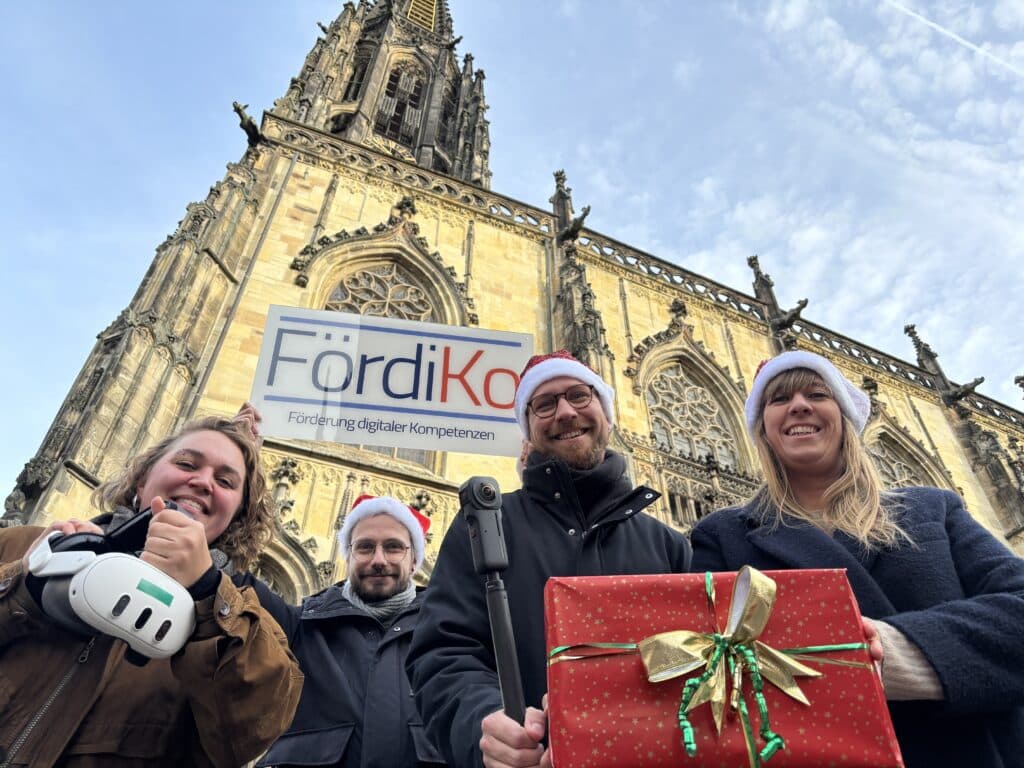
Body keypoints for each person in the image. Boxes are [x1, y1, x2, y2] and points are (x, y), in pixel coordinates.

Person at [689, 349, 1024, 767]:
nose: (798, 405)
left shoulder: (932, 509)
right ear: (762, 431)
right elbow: (709, 667)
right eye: (778, 400)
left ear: (846, 416)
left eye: (817, 393)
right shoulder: (723, 536)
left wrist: (898, 651)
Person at [406, 350, 692, 768]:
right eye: (544, 403)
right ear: (528, 429)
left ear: (607, 413)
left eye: (579, 395)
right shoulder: (487, 524)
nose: (564, 412)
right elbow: (442, 655)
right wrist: (484, 723)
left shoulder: (669, 546)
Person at [0, 415, 303, 768]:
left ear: (236, 517)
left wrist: (207, 593)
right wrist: (27, 584)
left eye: (225, 481)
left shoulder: (244, 626)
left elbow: (252, 729)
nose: (203, 481)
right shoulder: (22, 546)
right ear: (142, 478)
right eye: (186, 463)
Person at [250, 494, 445, 767]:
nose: (379, 559)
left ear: (414, 561)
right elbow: (229, 584)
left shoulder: (447, 633)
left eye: (393, 547)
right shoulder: (301, 626)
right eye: (365, 547)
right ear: (348, 557)